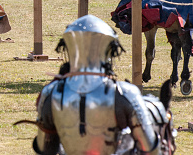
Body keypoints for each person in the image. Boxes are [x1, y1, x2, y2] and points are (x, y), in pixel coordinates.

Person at [31, 15, 176, 155]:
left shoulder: (51, 92)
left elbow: (45, 148)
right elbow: (150, 149)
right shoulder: (124, 93)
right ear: (109, 48)